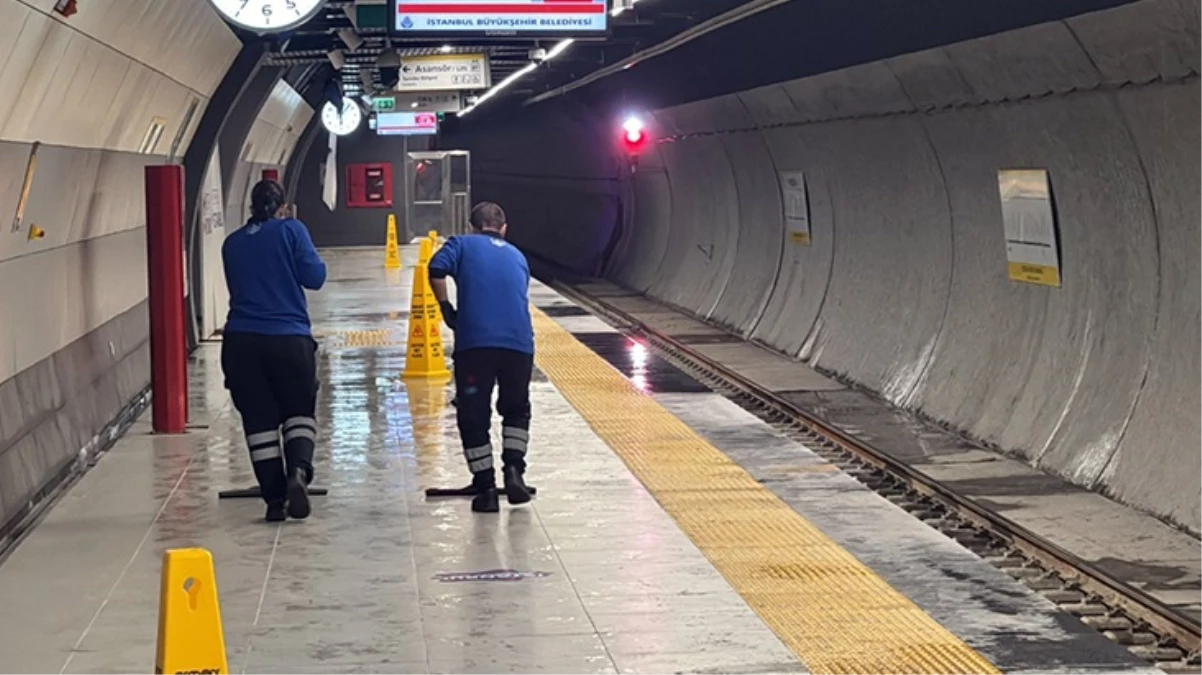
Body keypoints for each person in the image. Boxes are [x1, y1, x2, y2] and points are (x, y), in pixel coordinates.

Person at [221, 179, 327, 522]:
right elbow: (315, 277)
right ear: (282, 207)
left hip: (240, 342)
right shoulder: (291, 230)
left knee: (259, 422)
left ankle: (273, 500)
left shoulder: (231, 243)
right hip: (288, 338)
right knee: (299, 411)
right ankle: (298, 471)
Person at [429, 202, 534, 513]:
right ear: (504, 229)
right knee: (516, 410)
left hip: (476, 345)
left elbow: (435, 268)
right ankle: (514, 470)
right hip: (519, 345)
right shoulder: (517, 255)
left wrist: (447, 309)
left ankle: (486, 487)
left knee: (473, 413)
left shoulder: (461, 244)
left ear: (471, 226)